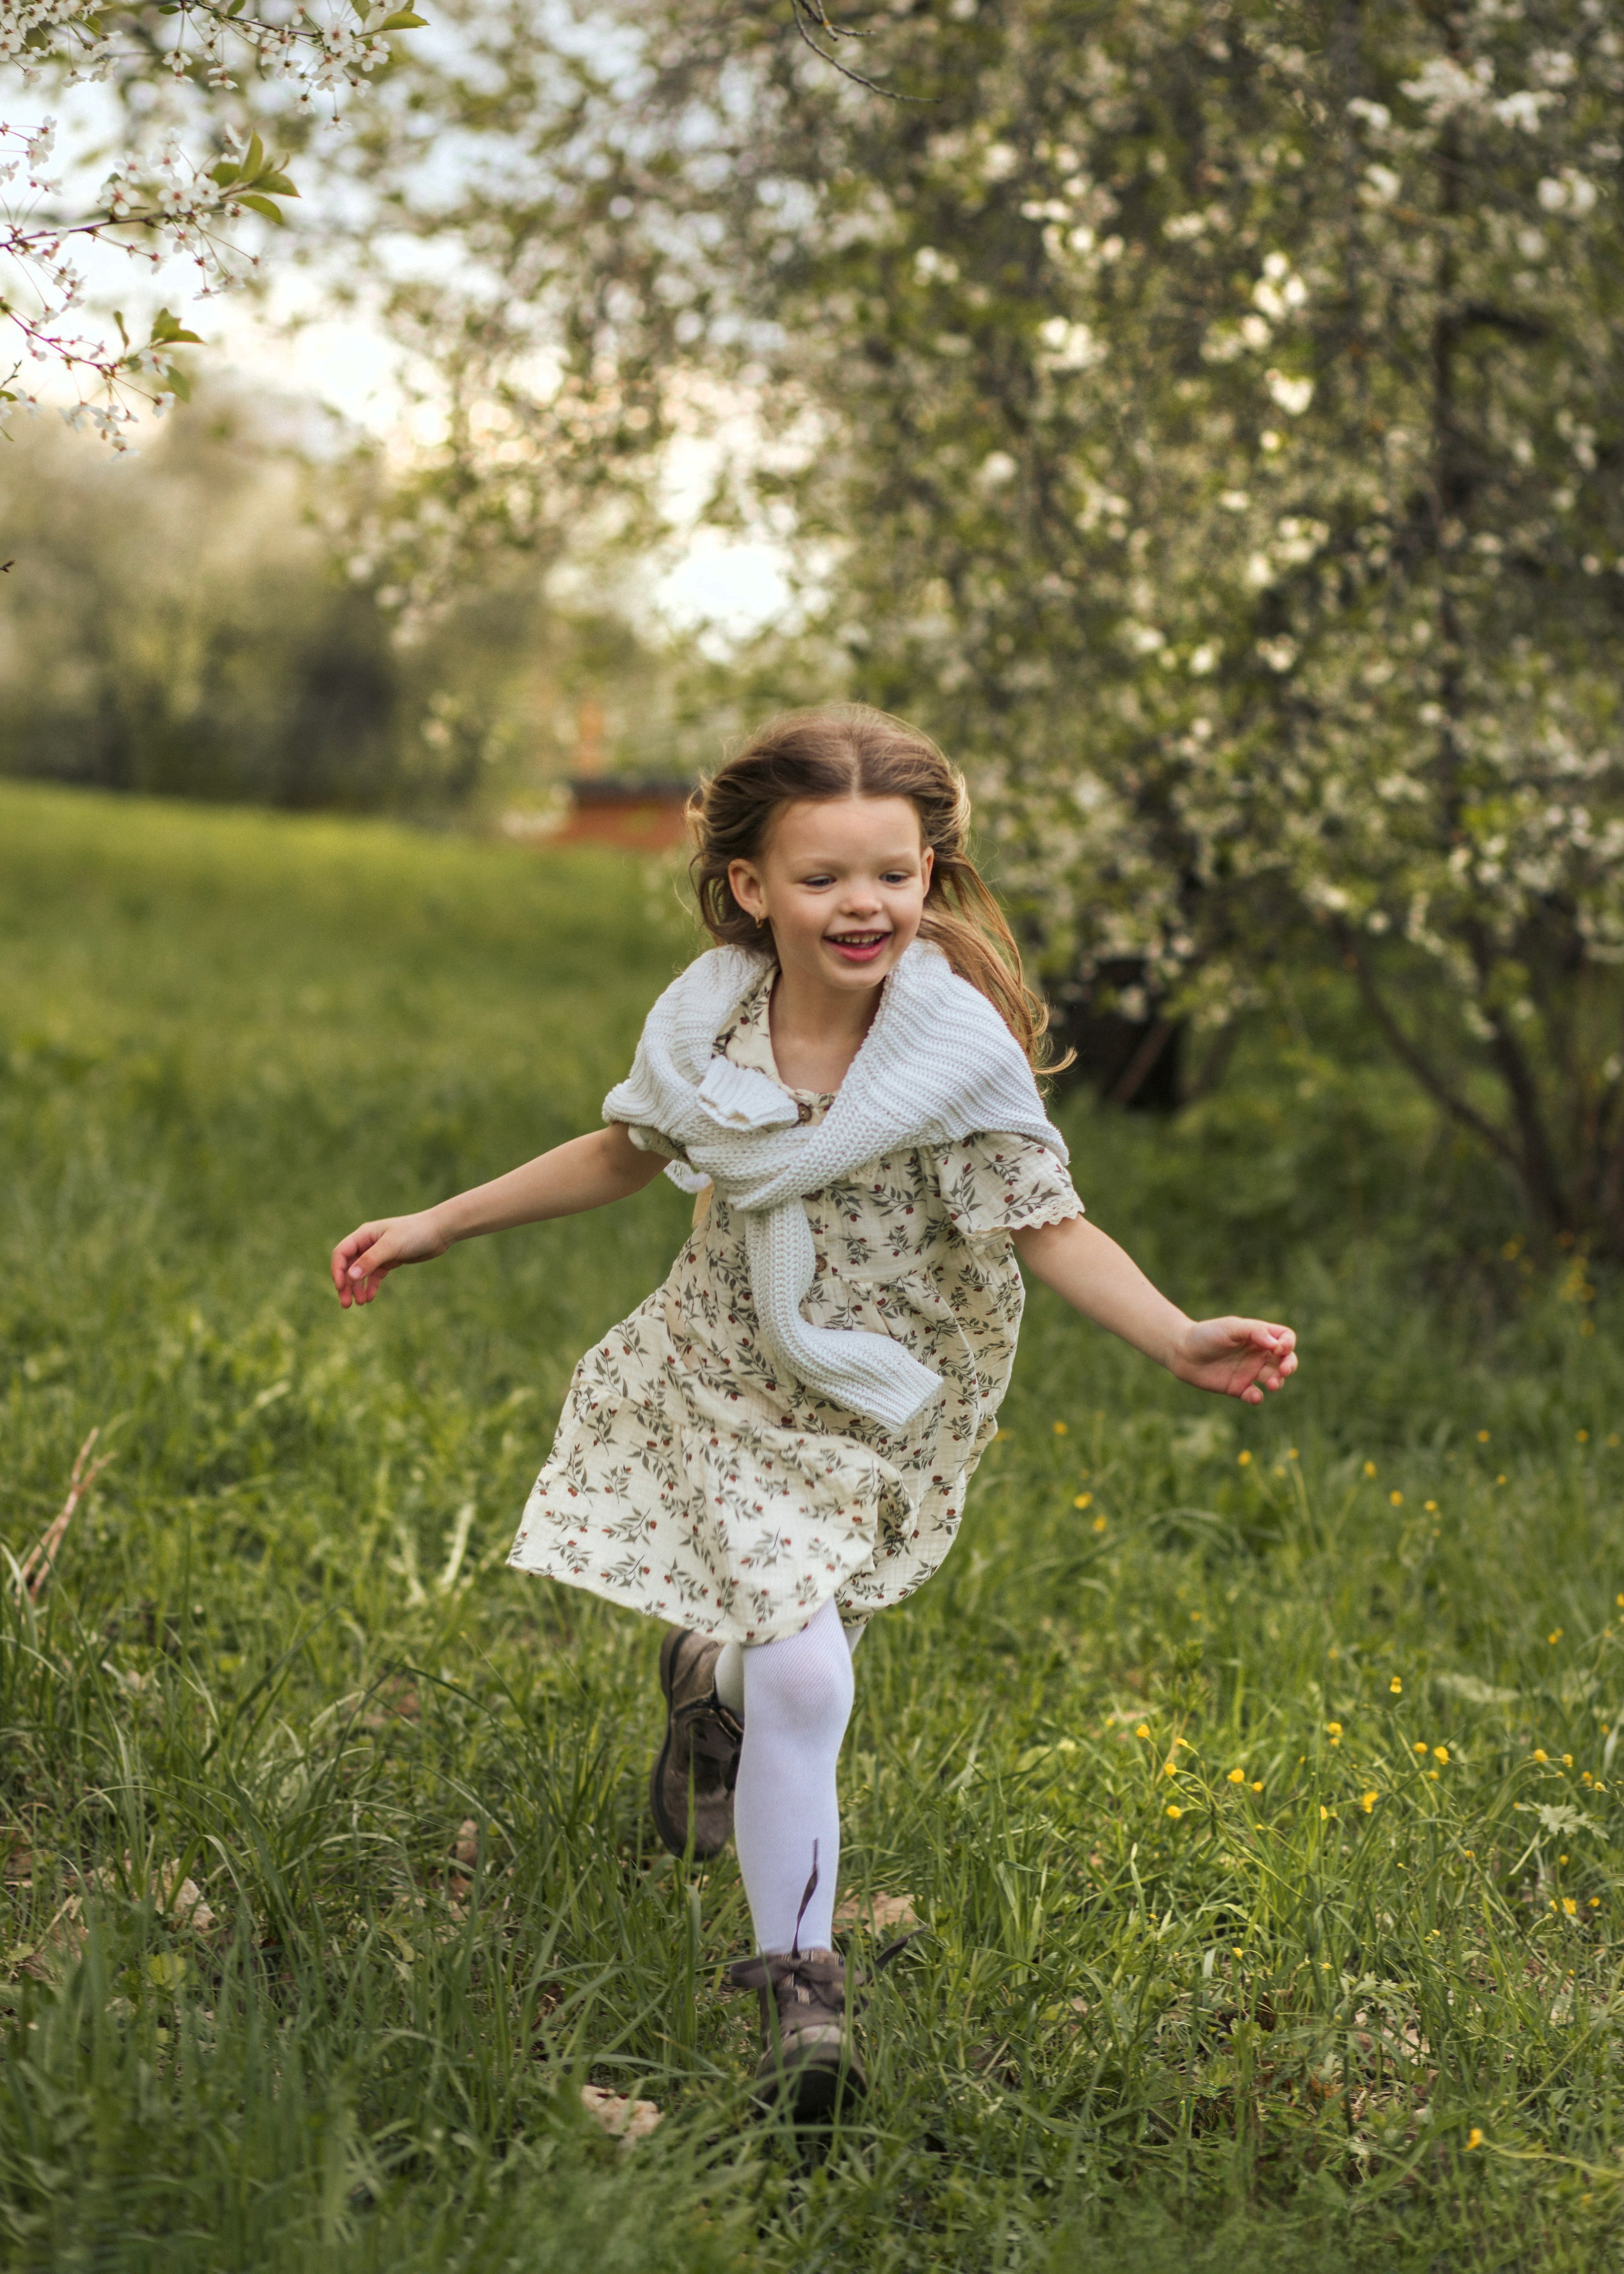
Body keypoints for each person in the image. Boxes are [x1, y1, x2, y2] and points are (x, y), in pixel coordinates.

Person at [329, 704, 1297, 2122]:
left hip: (890, 1400)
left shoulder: (950, 1050)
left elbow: (1046, 1220)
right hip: (726, 1376)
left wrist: (1172, 1335)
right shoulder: (708, 1017)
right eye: (824, 877)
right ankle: (799, 1994)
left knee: (776, 1670)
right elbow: (624, 1145)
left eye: (894, 875)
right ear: (749, 887)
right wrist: (436, 1221)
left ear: (930, 873)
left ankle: (696, 1684)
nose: (864, 906)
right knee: (807, 1682)